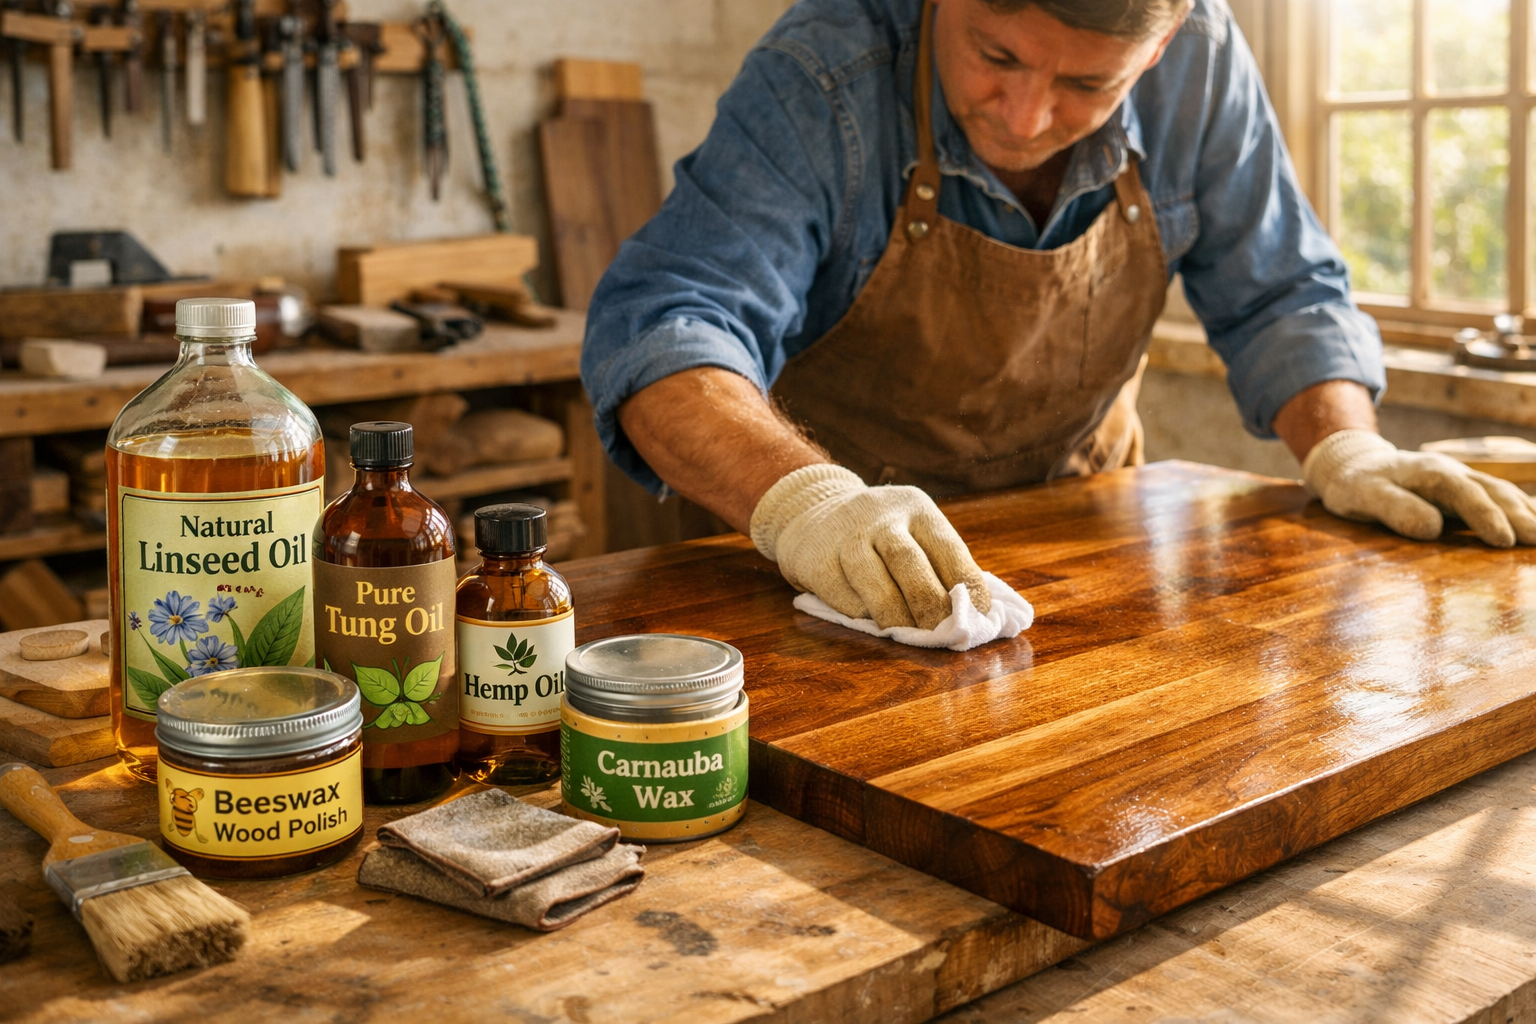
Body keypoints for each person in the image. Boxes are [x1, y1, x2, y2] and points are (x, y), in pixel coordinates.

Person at [580, 0, 1536, 632]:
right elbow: (665, 326)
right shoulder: (824, 70)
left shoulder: (1200, 59)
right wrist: (809, 505)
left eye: (1088, 84)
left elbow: (1281, 286)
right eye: (997, 56)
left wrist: (1346, 449)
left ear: (1159, 49)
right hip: (818, 575)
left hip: (1086, 542)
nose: (1028, 116)